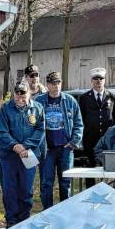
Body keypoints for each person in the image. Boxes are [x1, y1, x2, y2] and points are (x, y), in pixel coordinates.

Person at [0, 80, 45, 227]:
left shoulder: (37, 108)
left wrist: (25, 146)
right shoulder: (6, 108)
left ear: (29, 93)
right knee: (9, 188)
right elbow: (2, 131)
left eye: (23, 96)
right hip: (9, 155)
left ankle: (24, 219)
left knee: (26, 188)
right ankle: (11, 221)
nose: (20, 99)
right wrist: (15, 146)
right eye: (17, 96)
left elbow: (40, 130)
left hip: (29, 154)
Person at [35, 71, 83, 209]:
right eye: (52, 84)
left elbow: (79, 123)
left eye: (58, 83)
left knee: (65, 182)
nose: (56, 86)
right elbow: (32, 123)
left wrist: (74, 142)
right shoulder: (39, 101)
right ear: (47, 85)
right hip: (47, 150)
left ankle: (65, 211)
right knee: (46, 183)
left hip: (65, 149)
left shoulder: (70, 101)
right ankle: (47, 211)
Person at [78, 67, 115, 188]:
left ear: (104, 80)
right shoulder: (84, 98)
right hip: (90, 139)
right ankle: (91, 194)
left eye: (101, 78)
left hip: (108, 140)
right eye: (95, 79)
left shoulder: (112, 97)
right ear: (91, 81)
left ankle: (108, 192)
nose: (98, 81)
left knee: (108, 170)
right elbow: (81, 118)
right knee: (90, 170)